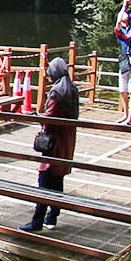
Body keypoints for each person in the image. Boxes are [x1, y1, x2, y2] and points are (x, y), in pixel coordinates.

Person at [21, 57, 79, 232]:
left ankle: (37, 221)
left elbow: (50, 119)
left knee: (45, 180)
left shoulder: (57, 93)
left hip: (55, 142)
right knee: (57, 179)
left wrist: (37, 116)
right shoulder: (71, 88)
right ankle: (52, 217)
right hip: (67, 140)